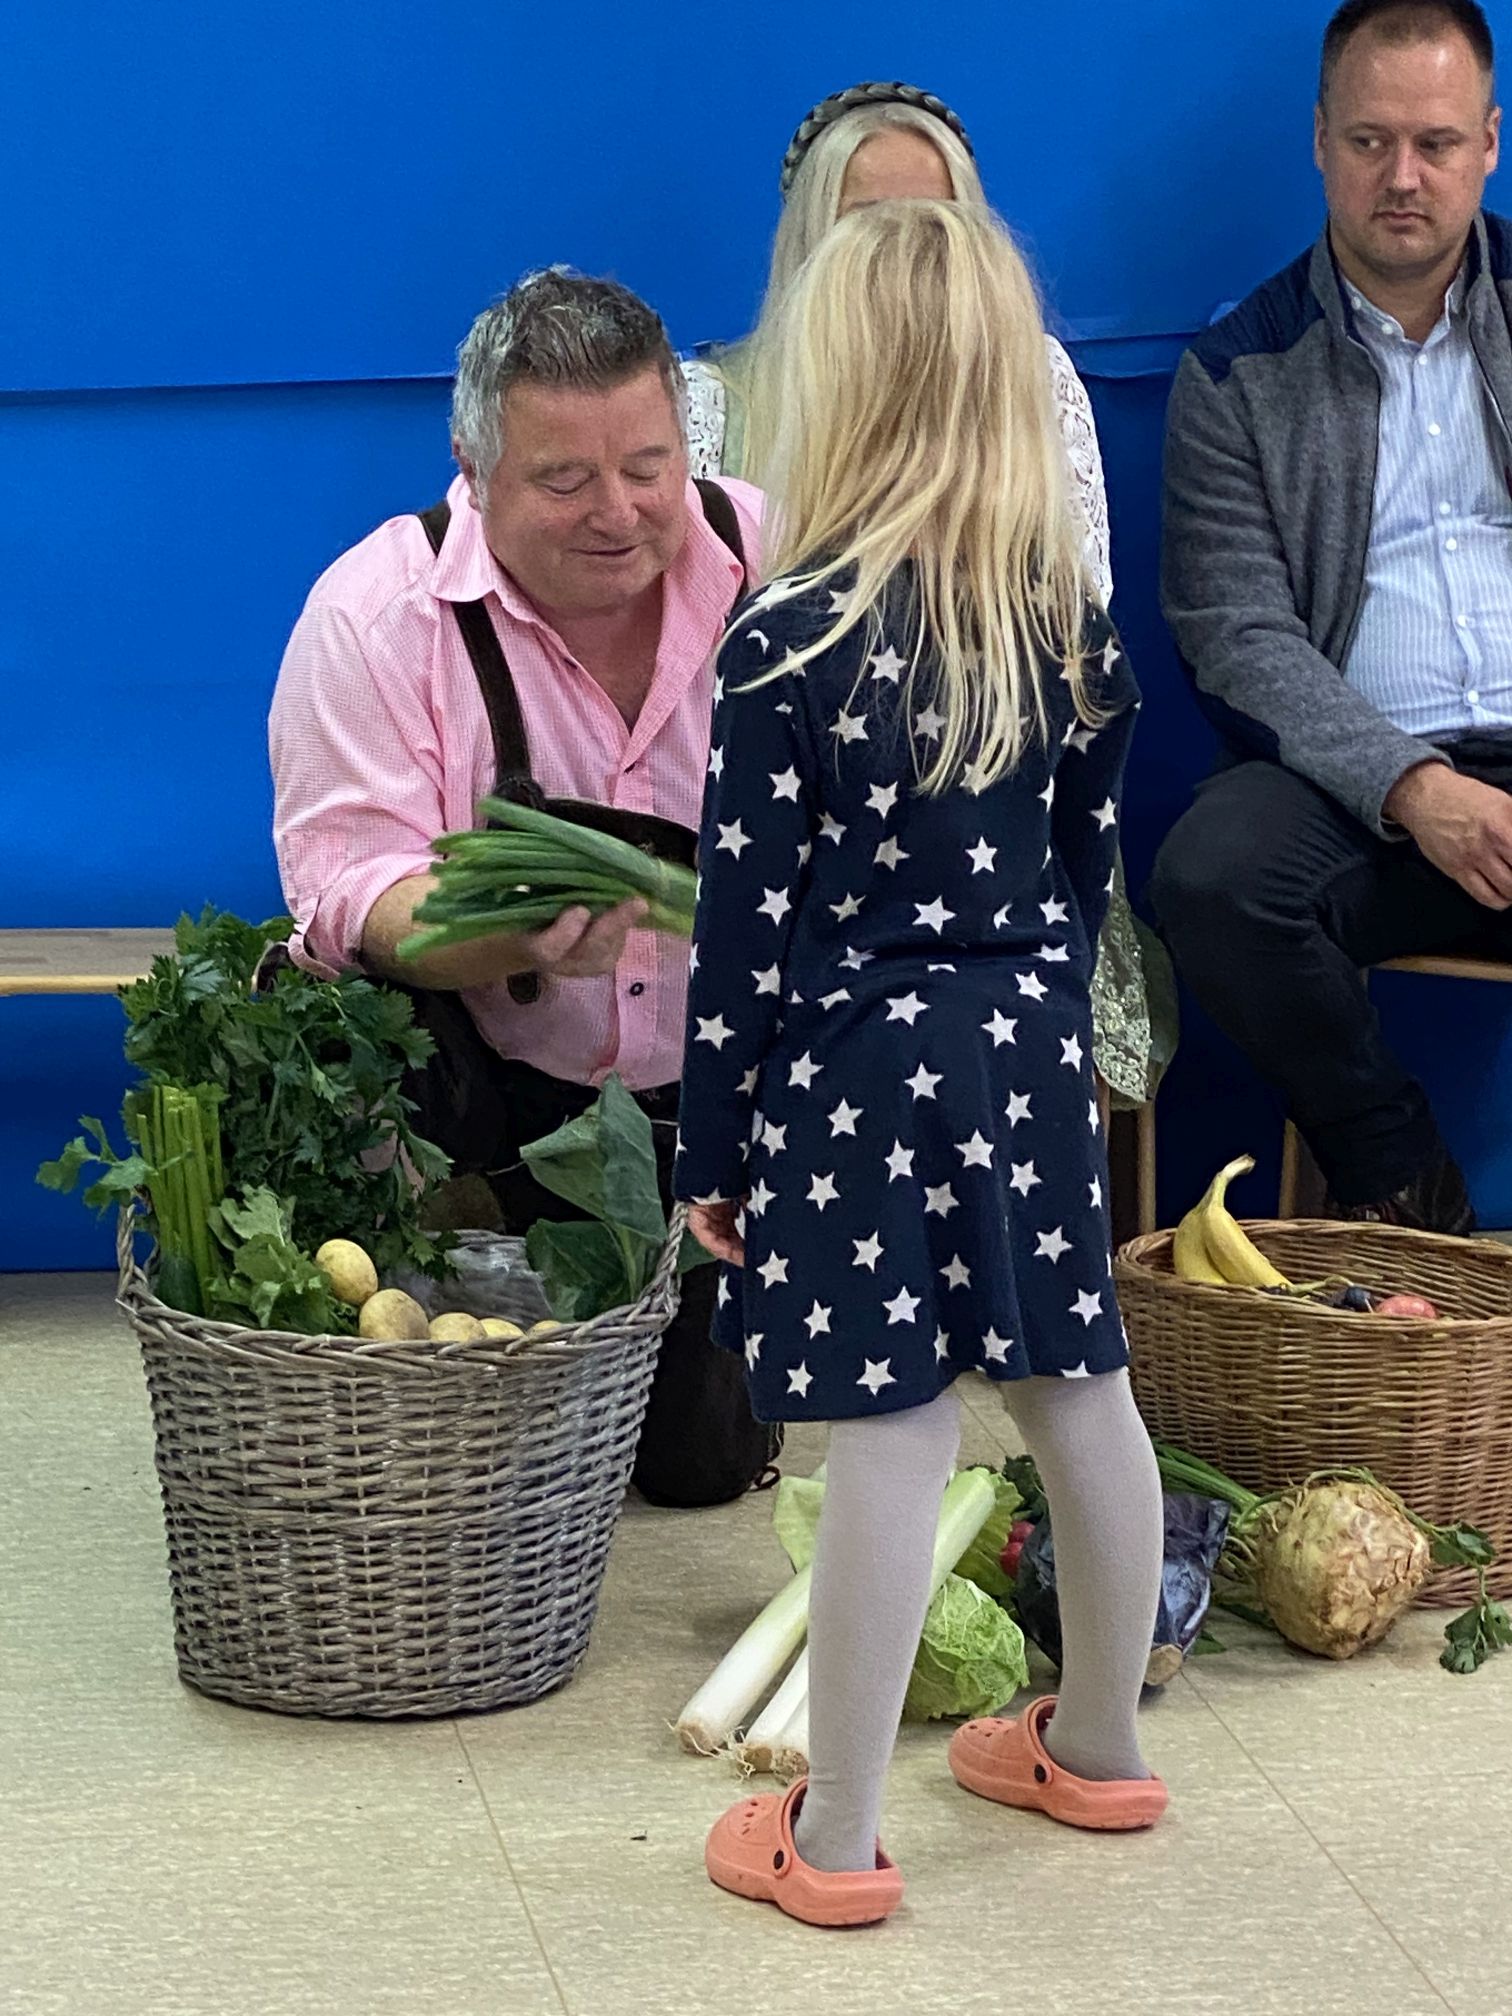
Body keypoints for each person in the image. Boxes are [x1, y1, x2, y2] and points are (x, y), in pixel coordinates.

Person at [674, 199, 1168, 1931]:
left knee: (884, 1428)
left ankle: (831, 1840)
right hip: (1029, 1051)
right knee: (1079, 1390)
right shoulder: (1068, 628)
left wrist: (712, 1155)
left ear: (836, 392)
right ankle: (1098, 1743)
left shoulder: (785, 640)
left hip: (851, 1075)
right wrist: (1030, 1018)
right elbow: (1085, 878)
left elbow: (739, 935)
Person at [269, 268, 777, 1507]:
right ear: (473, 465)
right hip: (496, 1099)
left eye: (649, 467)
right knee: (497, 1461)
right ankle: (443, 1296)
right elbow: (350, 897)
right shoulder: (376, 616)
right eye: (565, 480)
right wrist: (500, 932)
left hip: (729, 1105)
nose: (619, 513)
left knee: (701, 1468)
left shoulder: (777, 566)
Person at [684, 79, 1176, 1122]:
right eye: (869, 225)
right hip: (776, 825)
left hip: (990, 825)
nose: (906, 257)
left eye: (937, 223)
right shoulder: (711, 404)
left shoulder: (1037, 385)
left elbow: (1073, 661)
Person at [1155, 0, 1512, 1234]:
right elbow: (1236, 634)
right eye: (1370, 142)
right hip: (1359, 797)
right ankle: (1407, 1191)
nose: (1402, 177)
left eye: (1436, 142)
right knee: (1212, 877)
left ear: (1489, 143)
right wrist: (1413, 785)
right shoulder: (1235, 371)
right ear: (1319, 141)